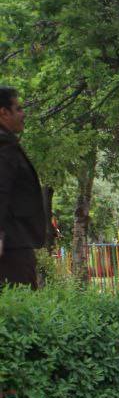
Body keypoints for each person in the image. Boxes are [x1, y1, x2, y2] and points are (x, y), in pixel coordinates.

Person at [0, 87, 50, 289]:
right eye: (18, 109)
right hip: (12, 247)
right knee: (20, 303)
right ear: (4, 112)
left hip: (13, 243)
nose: (23, 114)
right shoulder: (4, 146)